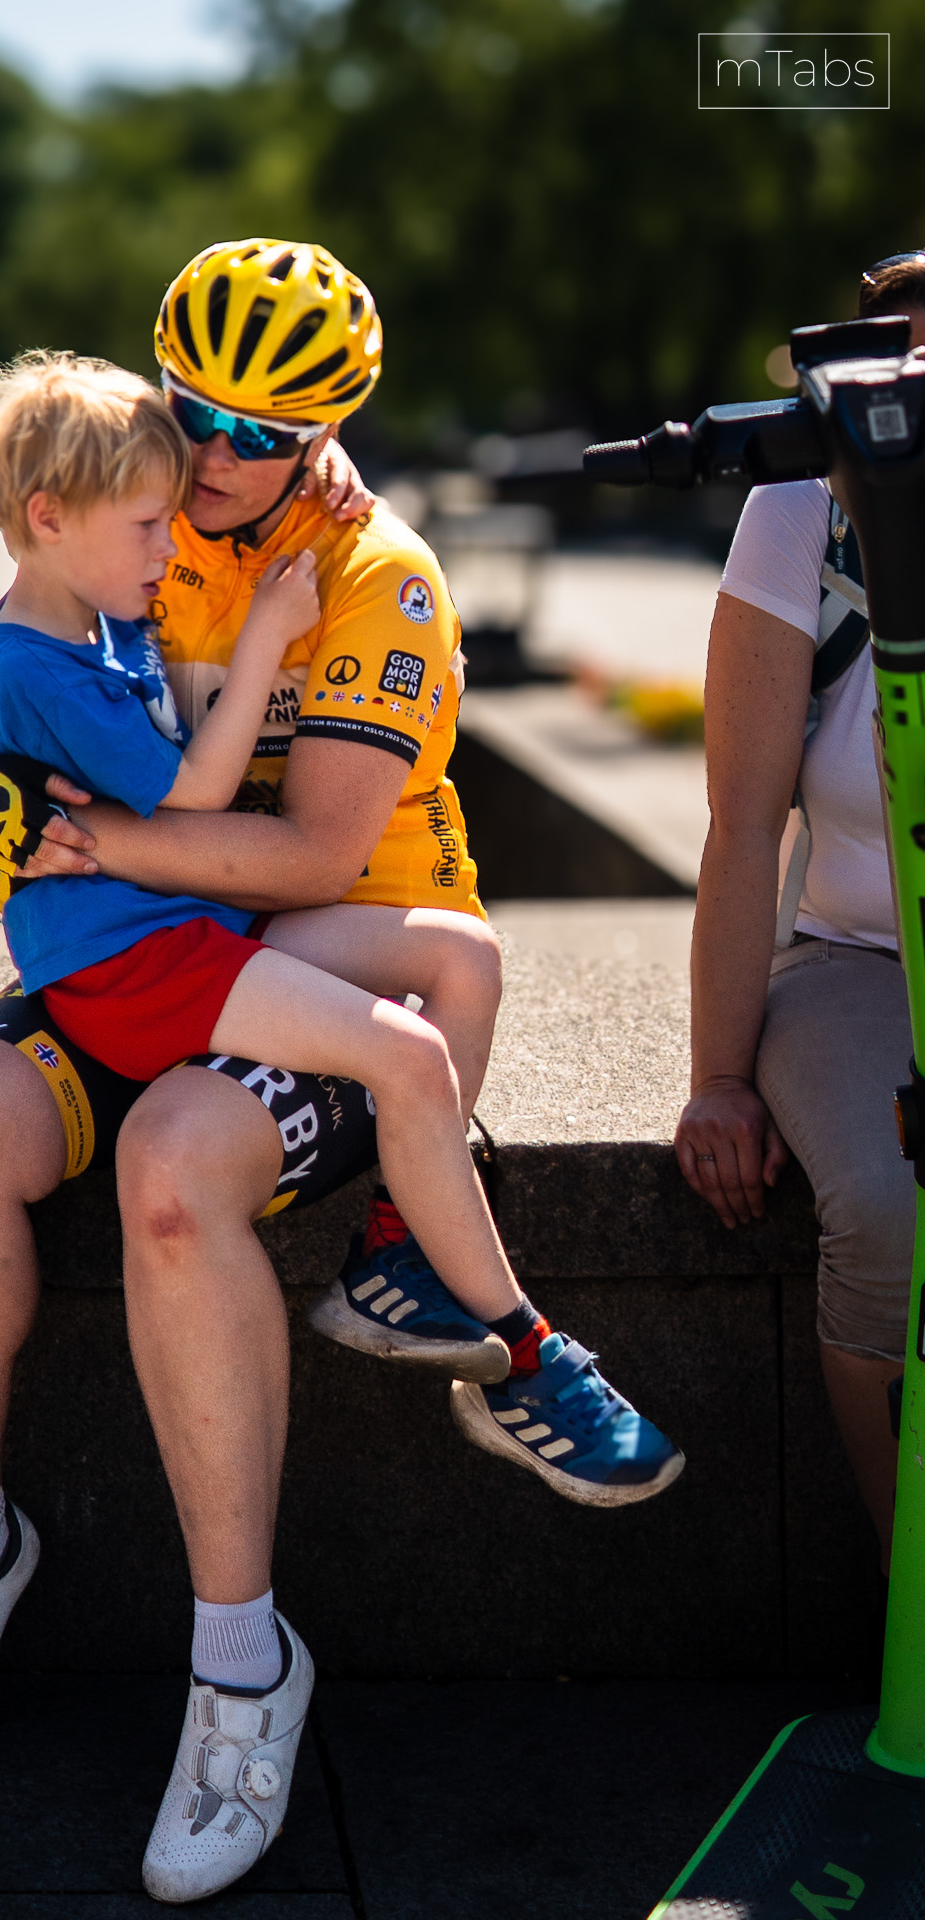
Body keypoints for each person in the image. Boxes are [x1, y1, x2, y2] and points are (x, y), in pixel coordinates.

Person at [0, 239, 676, 1905]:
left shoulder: (373, 577)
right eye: (196, 415)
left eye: (264, 433)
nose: (216, 458)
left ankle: (242, 1666)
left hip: (320, 932)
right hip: (165, 943)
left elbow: (310, 852)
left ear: (323, 434)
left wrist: (98, 834)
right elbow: (36, 645)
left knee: (174, 1174)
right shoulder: (139, 507)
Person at [675, 249, 925, 1574]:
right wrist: (720, 1079)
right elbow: (742, 822)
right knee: (887, 1209)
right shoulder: (801, 514)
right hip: (859, 955)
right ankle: (912, 1596)